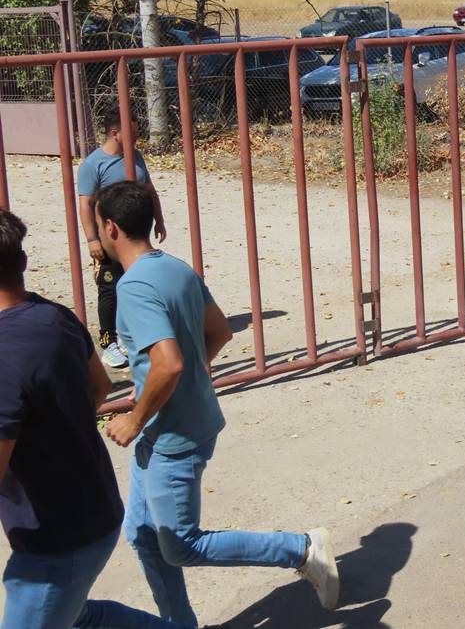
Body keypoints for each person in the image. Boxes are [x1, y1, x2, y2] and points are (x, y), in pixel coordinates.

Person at [94, 182, 339, 626]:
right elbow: (220, 331)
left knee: (181, 544)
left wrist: (135, 416)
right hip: (177, 422)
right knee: (144, 535)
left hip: (173, 435)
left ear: (110, 227)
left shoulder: (132, 287)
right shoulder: (175, 268)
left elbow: (167, 365)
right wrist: (164, 388)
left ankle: (301, 549)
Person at [0, 208, 204, 629]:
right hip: (91, 510)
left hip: (57, 539)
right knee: (78, 617)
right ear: (22, 262)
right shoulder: (55, 316)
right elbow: (101, 385)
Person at [78, 108, 167, 369]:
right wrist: (92, 239)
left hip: (137, 235)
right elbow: (85, 205)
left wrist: (159, 219)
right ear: (115, 133)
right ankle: (108, 343)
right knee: (110, 288)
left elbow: (150, 191)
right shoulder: (93, 164)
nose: (138, 136)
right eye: (134, 131)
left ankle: (137, 335)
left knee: (141, 283)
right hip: (109, 240)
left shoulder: (135, 157)